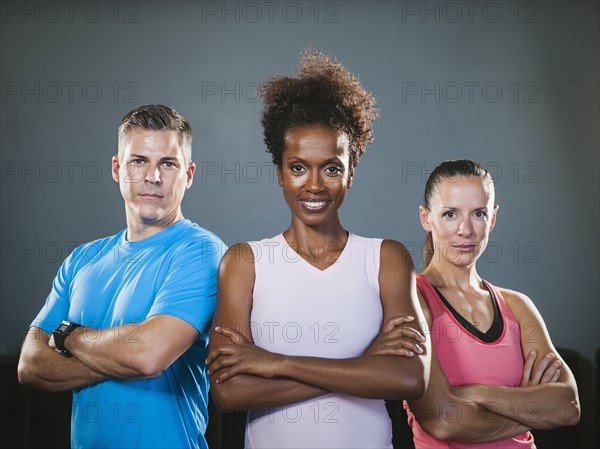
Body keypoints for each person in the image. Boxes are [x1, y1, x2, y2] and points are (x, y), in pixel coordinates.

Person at [205, 49, 431, 449]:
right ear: (279, 173)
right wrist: (365, 366)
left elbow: (411, 379)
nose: (314, 185)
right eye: (297, 167)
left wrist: (277, 364)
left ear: (351, 172)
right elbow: (230, 393)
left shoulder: (386, 259)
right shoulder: (244, 262)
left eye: (331, 168)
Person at [17, 104, 227, 449]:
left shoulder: (202, 252)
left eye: (168, 163)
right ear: (118, 168)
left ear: (189, 174)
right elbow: (31, 365)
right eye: (138, 161)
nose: (153, 176)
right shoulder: (82, 259)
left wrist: (69, 338)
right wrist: (122, 359)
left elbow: (148, 356)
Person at [403, 159, 580, 448]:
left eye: (479, 214)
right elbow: (444, 420)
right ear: (426, 218)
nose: (466, 230)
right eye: (450, 214)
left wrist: (476, 393)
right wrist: (533, 408)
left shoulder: (517, 305)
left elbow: (568, 406)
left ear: (493, 219)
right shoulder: (412, 298)